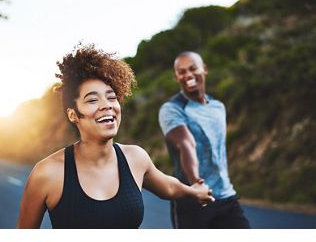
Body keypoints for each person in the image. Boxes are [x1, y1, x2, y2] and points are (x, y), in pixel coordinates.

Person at [17, 45, 214, 229]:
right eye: (93, 100)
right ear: (73, 114)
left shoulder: (136, 158)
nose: (107, 105)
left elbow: (169, 187)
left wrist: (194, 192)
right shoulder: (47, 173)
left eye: (111, 97)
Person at [158, 51, 250, 229]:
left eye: (193, 68)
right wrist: (196, 183)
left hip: (225, 197)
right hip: (192, 200)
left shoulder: (218, 107)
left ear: (204, 69)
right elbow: (186, 143)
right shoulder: (171, 109)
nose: (188, 75)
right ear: (177, 76)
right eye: (182, 71)